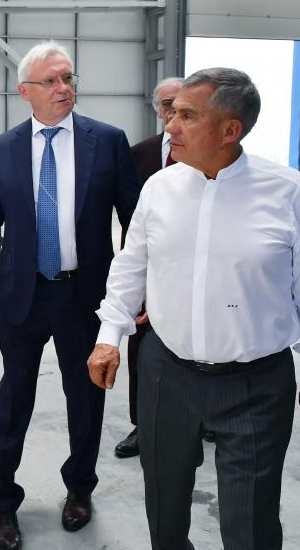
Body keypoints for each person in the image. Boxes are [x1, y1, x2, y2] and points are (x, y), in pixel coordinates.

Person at [89, 68, 300, 550]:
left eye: (187, 116)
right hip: (167, 374)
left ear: (230, 130)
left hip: (255, 384)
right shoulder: (159, 188)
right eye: (172, 113)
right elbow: (130, 267)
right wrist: (110, 336)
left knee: (250, 525)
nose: (170, 126)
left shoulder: (287, 192)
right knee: (165, 509)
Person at [0, 41, 140, 549]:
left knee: (86, 399)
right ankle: (2, 502)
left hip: (86, 295)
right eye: (51, 81)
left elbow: (136, 219)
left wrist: (140, 285)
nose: (64, 88)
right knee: (13, 399)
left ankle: (80, 488)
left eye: (68, 78)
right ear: (25, 91)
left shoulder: (108, 141)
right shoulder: (4, 148)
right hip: (24, 294)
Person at [113, 76, 183, 459]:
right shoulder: (139, 154)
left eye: (180, 101)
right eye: (166, 103)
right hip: (147, 268)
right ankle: (142, 424)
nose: (173, 109)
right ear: (157, 109)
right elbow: (128, 215)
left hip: (194, 270)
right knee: (140, 346)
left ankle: (203, 419)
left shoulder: (208, 152)